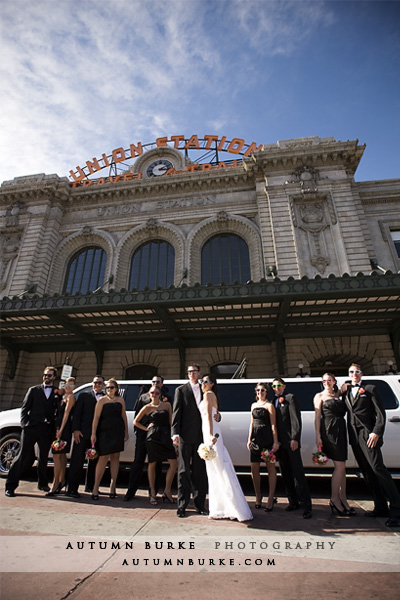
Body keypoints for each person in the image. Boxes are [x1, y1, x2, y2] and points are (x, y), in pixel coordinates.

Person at [342, 363, 400, 528]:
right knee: (367, 472)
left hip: (368, 435)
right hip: (354, 436)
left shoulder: (370, 389)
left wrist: (376, 432)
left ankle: (396, 509)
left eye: (357, 371)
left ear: (361, 373)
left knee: (377, 469)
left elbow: (381, 414)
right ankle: (380, 507)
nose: (354, 374)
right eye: (351, 372)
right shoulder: (346, 391)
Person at [200, 374, 253, 521]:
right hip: (211, 431)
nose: (203, 383)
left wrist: (210, 435)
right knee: (217, 468)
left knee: (217, 469)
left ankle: (225, 507)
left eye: (206, 381)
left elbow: (210, 417)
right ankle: (221, 507)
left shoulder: (208, 395)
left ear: (212, 384)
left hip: (210, 432)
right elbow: (214, 414)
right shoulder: (211, 395)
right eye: (202, 381)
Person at [171, 364, 220, 518]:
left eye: (194, 371)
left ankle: (200, 505)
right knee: (183, 471)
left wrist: (219, 416)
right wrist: (175, 433)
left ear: (199, 373)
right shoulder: (181, 390)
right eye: (189, 372)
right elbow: (176, 413)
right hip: (185, 436)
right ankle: (182, 505)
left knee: (200, 472)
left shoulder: (205, 388)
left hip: (202, 437)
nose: (191, 374)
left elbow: (214, 409)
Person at [5, 367, 61, 496]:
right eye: (45, 375)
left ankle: (42, 484)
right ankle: (10, 486)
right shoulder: (34, 390)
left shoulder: (56, 392)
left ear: (54, 377)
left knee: (43, 457)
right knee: (22, 456)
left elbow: (58, 410)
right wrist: (25, 424)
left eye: (49, 375)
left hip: (46, 428)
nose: (46, 377)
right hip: (32, 427)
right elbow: (25, 408)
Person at [313, 373, 354, 516]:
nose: (326, 382)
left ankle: (343, 499)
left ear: (334, 381)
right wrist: (318, 436)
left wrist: (343, 389)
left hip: (341, 430)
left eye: (329, 380)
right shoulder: (319, 396)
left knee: (343, 467)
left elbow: (343, 392)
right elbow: (317, 417)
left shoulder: (337, 395)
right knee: (340, 466)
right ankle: (334, 499)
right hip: (329, 431)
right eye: (323, 380)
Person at [124, 375, 169, 502]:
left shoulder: (167, 398)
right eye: (153, 381)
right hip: (144, 436)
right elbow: (136, 417)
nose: (156, 384)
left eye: (158, 382)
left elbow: (168, 419)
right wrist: (142, 431)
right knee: (138, 462)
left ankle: (153, 492)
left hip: (158, 436)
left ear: (162, 383)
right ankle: (131, 491)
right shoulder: (143, 397)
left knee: (156, 464)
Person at [273, 377, 312, 519]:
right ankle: (292, 501)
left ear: (284, 386)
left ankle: (306, 505)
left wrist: (295, 438)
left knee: (298, 473)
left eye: (278, 385)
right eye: (274, 386)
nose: (276, 388)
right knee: (286, 473)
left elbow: (296, 419)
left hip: (291, 442)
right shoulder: (273, 402)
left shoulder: (290, 398)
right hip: (281, 445)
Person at [134, 384, 177, 505]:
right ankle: (152, 493)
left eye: (157, 393)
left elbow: (170, 422)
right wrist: (146, 428)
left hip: (166, 436)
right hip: (152, 438)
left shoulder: (167, 405)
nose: (154, 395)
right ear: (149, 394)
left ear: (160, 394)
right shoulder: (147, 407)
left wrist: (173, 436)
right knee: (152, 464)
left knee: (174, 463)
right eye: (152, 393)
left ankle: (167, 491)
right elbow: (135, 421)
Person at [66, 375, 105, 498]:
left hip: (98, 435)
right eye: (95, 382)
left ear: (103, 384)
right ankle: (72, 489)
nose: (97, 385)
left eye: (99, 383)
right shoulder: (84, 396)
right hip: (82, 433)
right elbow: (77, 414)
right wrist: (76, 430)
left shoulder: (106, 398)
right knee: (77, 461)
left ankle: (90, 487)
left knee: (94, 462)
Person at [91, 378, 129, 500]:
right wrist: (93, 434)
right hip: (104, 432)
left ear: (116, 389)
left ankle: (113, 486)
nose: (109, 390)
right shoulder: (101, 401)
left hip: (117, 431)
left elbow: (123, 416)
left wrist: (126, 431)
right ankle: (95, 487)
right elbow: (96, 418)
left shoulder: (121, 400)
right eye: (107, 387)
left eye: (112, 387)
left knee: (115, 458)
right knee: (102, 458)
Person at [247, 382, 279, 512]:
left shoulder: (269, 406)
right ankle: (258, 496)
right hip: (255, 440)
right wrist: (249, 439)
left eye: (262, 390)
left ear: (267, 392)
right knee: (254, 469)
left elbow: (273, 425)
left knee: (270, 467)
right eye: (258, 390)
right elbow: (252, 422)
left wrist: (275, 442)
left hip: (267, 440)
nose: (260, 392)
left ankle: (271, 498)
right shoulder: (253, 405)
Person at [47, 377, 76, 496]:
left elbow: (66, 414)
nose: (68, 386)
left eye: (71, 385)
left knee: (56, 456)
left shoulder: (71, 397)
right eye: (67, 384)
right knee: (62, 456)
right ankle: (62, 480)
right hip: (58, 426)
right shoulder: (63, 396)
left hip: (63, 428)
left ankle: (55, 483)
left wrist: (61, 430)